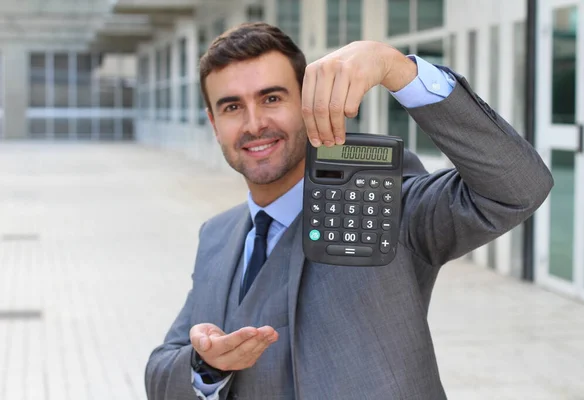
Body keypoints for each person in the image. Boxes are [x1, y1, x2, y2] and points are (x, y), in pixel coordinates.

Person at [144, 22, 553, 400]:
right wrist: (207, 366)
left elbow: (517, 188)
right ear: (213, 123)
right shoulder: (217, 235)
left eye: (272, 98)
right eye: (232, 107)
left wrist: (396, 70)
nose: (254, 123)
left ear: (306, 101)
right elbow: (162, 370)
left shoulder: (383, 201)